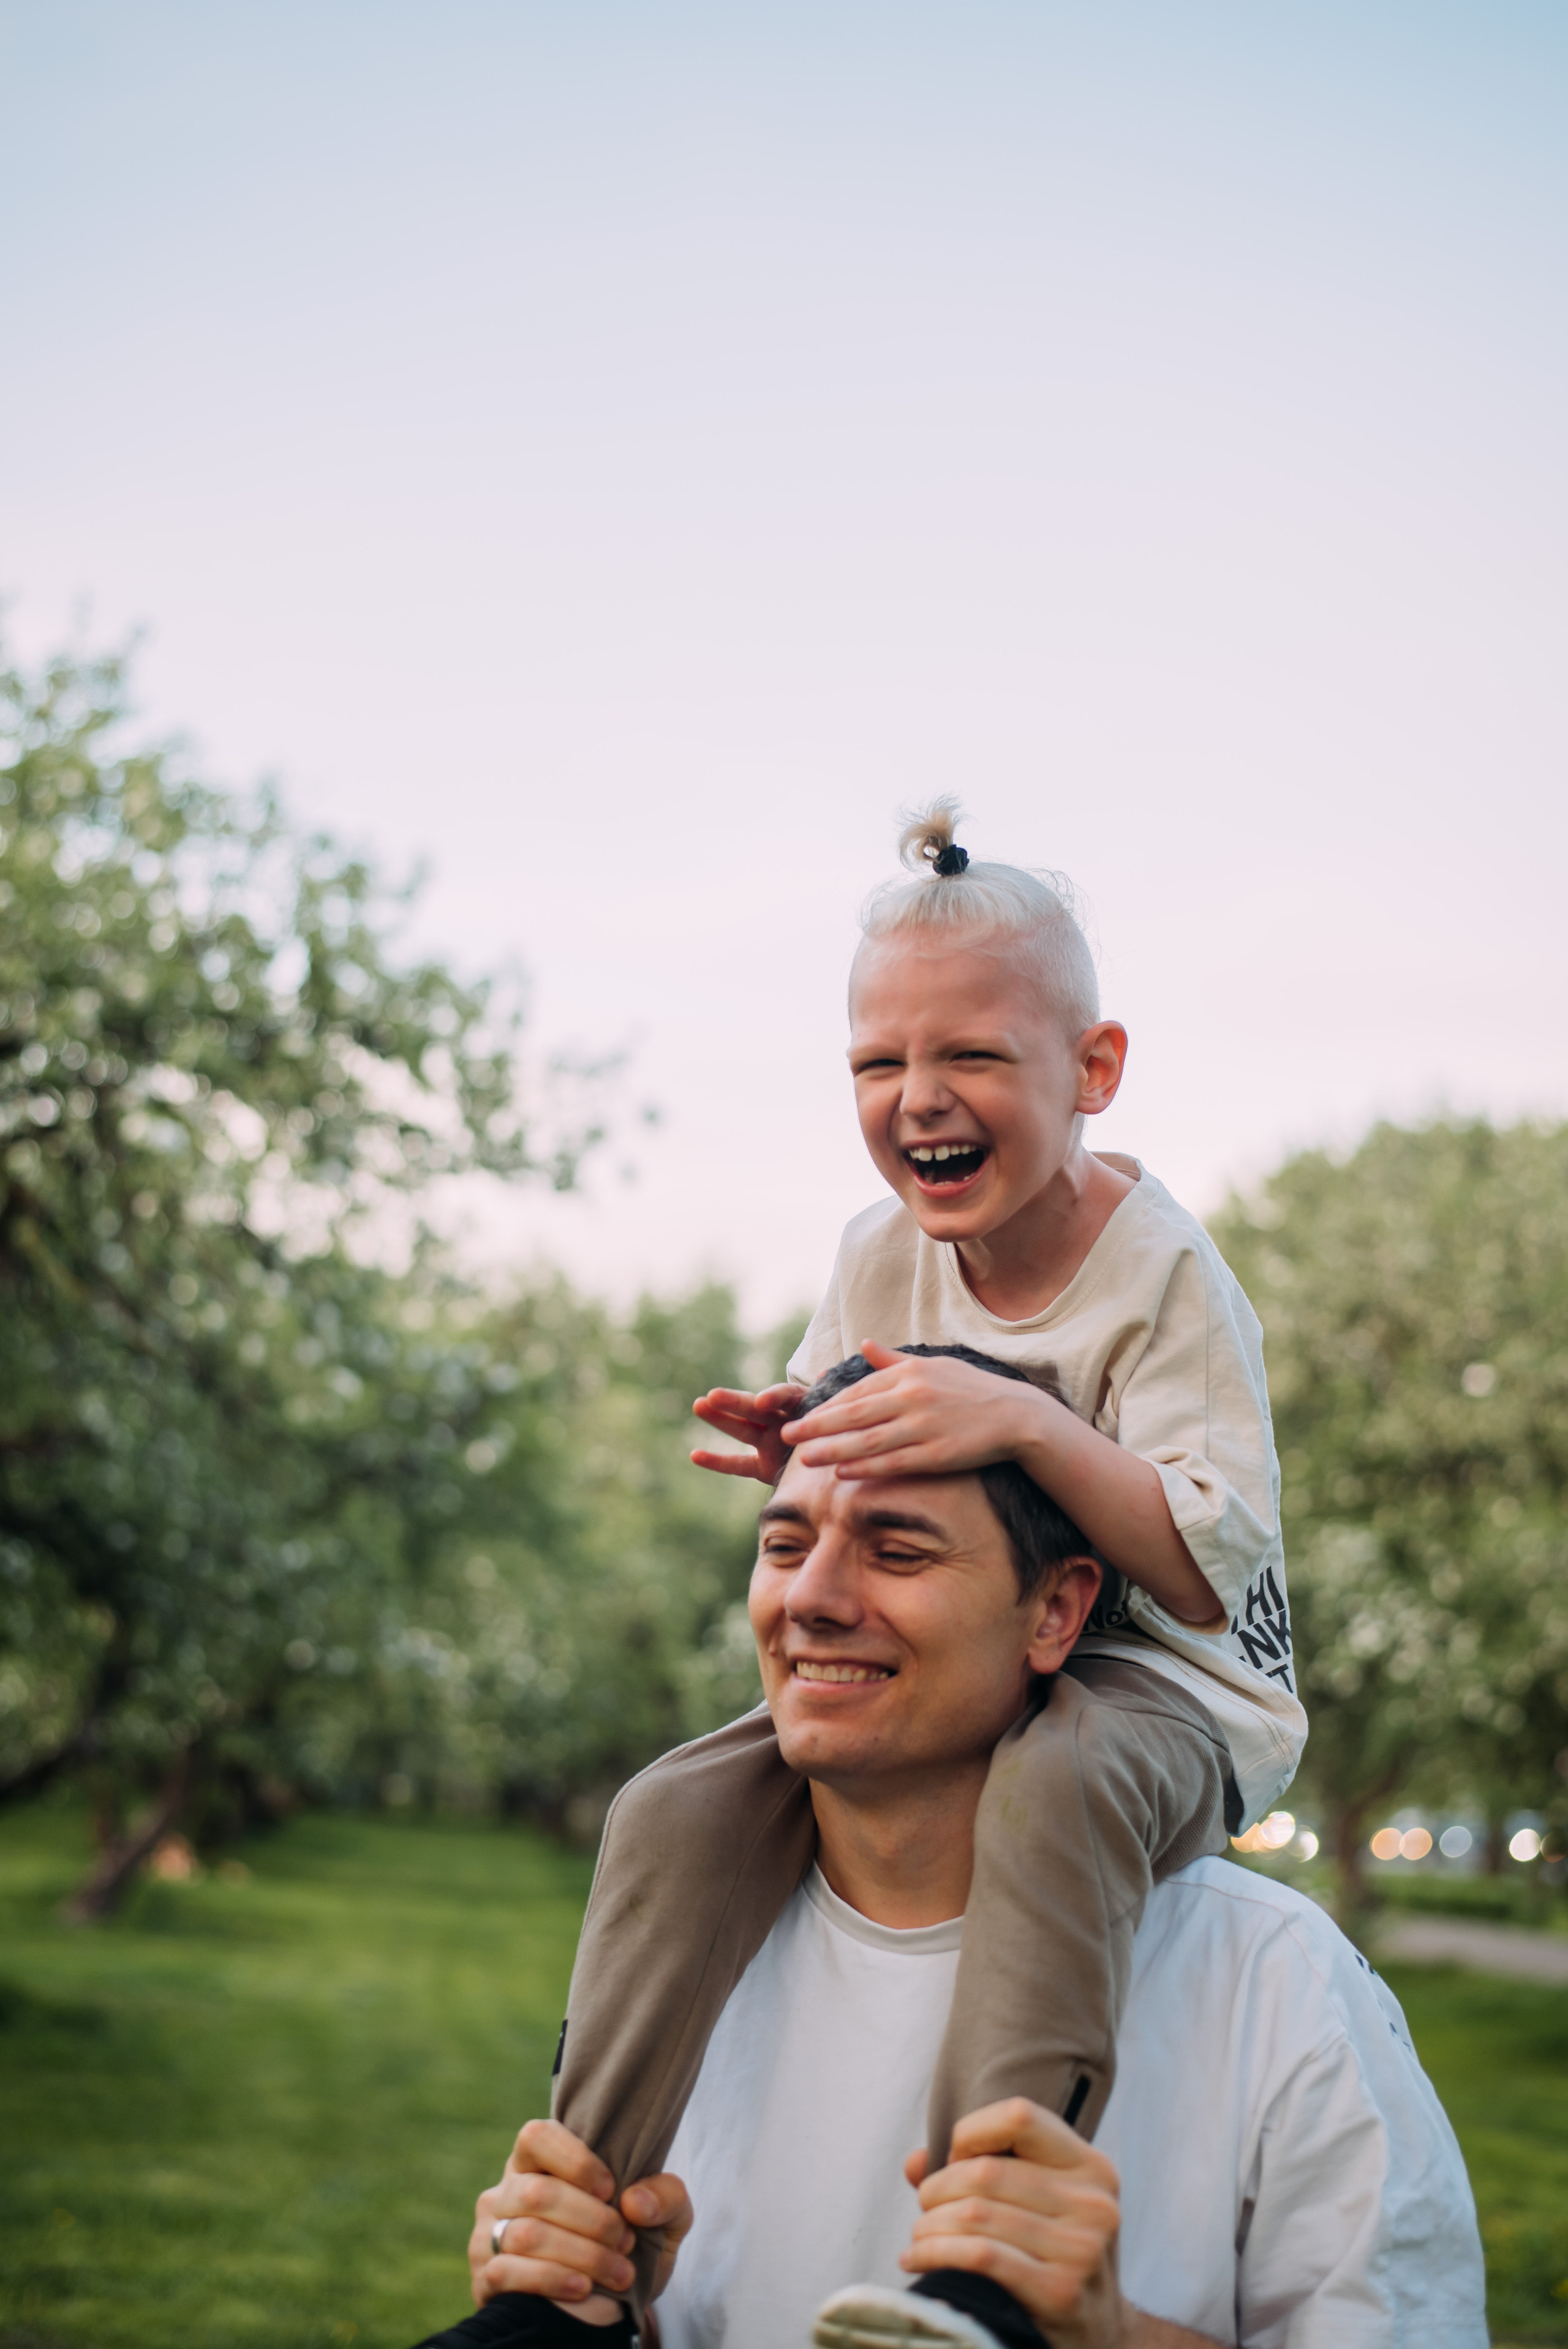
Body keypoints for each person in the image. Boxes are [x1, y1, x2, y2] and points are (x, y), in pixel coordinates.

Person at [548, 803, 1308, 2342]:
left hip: (1165, 1684)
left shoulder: (1161, 1272)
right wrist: (796, 1437)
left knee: (1055, 1790)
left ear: (1091, 1071)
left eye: (969, 1055)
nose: (919, 1099)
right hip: (966, 1650)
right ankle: (576, 2249)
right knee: (675, 1806)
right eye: (876, 1064)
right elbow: (850, 1432)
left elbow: (1196, 1563)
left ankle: (982, 2256)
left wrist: (1020, 1420)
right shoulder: (873, 1252)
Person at [415, 1352, 1485, 2349]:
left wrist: (1107, 2335)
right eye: (784, 1546)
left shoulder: (1273, 1980)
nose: (811, 1599)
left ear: (1055, 1610)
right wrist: (593, 2304)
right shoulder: (683, 1954)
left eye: (898, 1552)